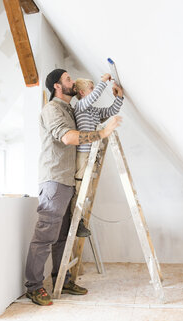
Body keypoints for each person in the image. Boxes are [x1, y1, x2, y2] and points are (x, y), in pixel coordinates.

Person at [25, 68, 122, 306]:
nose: (72, 81)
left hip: (68, 180)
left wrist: (118, 97)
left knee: (62, 237)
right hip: (55, 179)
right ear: (57, 85)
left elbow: (94, 113)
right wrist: (102, 133)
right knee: (45, 235)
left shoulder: (72, 108)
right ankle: (34, 287)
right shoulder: (52, 110)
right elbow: (68, 138)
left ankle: (63, 280)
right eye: (68, 79)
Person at [70, 74, 124, 237]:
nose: (94, 92)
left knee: (86, 192)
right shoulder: (80, 106)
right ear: (82, 92)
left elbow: (112, 110)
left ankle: (80, 219)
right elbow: (94, 96)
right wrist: (103, 82)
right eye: (91, 89)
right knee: (79, 190)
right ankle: (76, 223)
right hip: (83, 154)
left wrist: (119, 97)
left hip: (92, 155)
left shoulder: (92, 111)